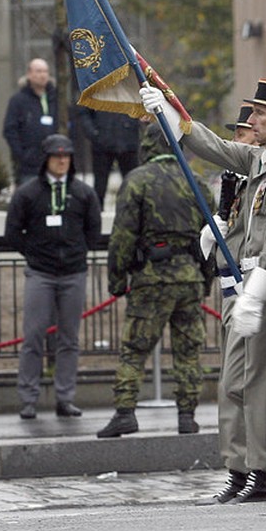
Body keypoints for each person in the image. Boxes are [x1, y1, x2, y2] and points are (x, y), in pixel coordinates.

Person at [173, 80, 266, 504]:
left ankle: (262, 475)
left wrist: (255, 292)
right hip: (245, 283)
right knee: (232, 384)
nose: (250, 121)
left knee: (263, 384)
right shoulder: (256, 158)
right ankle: (238, 467)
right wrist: (173, 117)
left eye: (259, 115)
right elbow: (212, 146)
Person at [97, 125, 211, 438]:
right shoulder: (196, 182)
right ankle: (187, 416)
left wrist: (117, 279)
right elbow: (213, 236)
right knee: (188, 352)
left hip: (152, 278)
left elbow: (122, 237)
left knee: (135, 349)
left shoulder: (137, 181)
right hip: (189, 278)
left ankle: (125, 412)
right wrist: (207, 280)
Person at [5, 134, 101, 420]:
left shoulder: (83, 193)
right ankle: (28, 398)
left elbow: (93, 232)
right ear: (46, 159)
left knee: (69, 338)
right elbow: (12, 233)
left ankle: (65, 397)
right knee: (33, 336)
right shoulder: (28, 193)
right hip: (40, 273)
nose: (62, 161)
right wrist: (36, 254)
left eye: (67, 156)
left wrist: (77, 252)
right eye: (57, 156)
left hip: (73, 273)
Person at [3, 58, 61, 184]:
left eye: (45, 71)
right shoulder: (18, 101)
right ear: (29, 74)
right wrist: (22, 155)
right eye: (38, 71)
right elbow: (10, 130)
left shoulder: (55, 98)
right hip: (28, 167)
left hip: (54, 162)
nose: (42, 75)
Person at [76, 106, 141, 211]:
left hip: (128, 143)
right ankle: (96, 213)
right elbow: (84, 112)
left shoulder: (129, 89)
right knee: (100, 186)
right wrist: (93, 133)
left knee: (132, 183)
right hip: (102, 144)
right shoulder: (96, 89)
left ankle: (135, 212)